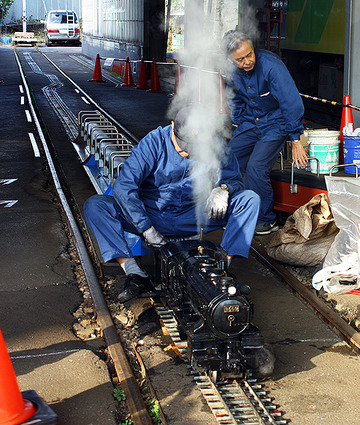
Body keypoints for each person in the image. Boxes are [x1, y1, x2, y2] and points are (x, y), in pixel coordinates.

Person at [84, 106, 260, 302]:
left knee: (249, 199)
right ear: (172, 126)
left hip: (194, 215)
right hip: (153, 215)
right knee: (96, 206)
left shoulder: (215, 144)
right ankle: (132, 271)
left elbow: (235, 179)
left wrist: (223, 189)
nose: (187, 154)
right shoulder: (153, 142)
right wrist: (145, 227)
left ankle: (221, 269)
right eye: (183, 147)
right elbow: (124, 187)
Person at [222, 30, 308, 235]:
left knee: (256, 166)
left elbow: (290, 101)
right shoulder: (230, 71)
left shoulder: (271, 66)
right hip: (251, 122)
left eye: (249, 55)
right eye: (240, 59)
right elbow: (234, 99)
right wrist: (241, 123)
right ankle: (234, 210)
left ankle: (264, 219)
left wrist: (296, 139)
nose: (247, 61)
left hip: (276, 123)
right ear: (229, 59)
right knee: (227, 159)